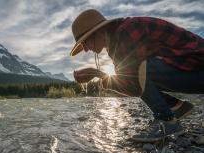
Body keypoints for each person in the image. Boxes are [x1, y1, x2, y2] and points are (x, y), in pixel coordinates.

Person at [70, 9, 204, 143]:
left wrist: (99, 75)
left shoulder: (127, 30)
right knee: (133, 71)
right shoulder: (116, 41)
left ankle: (167, 121)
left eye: (84, 42)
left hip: (198, 70)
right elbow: (131, 84)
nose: (86, 49)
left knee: (136, 68)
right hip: (191, 72)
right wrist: (97, 74)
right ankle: (176, 107)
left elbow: (132, 75)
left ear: (97, 32)